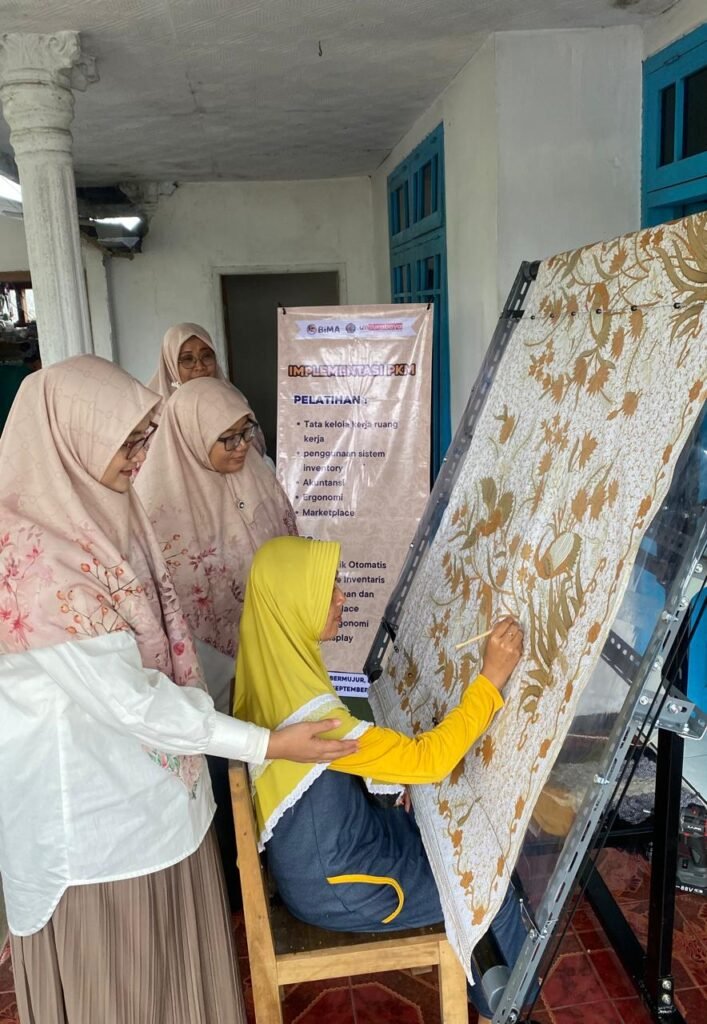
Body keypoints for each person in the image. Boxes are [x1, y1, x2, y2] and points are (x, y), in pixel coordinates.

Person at [0, 356, 357, 1024]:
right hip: (96, 827)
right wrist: (268, 742)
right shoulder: (36, 561)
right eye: (128, 441)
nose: (141, 456)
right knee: (124, 987)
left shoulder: (103, 515)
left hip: (161, 792)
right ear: (70, 439)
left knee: (174, 977)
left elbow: (172, 642)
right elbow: (132, 700)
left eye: (146, 437)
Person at [235, 535, 528, 1024]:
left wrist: (394, 777)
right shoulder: (316, 718)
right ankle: (511, 1012)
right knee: (493, 887)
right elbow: (429, 760)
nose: (342, 598)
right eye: (328, 589)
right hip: (343, 885)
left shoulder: (270, 668)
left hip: (319, 860)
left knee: (446, 830)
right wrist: (491, 681)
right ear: (296, 603)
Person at [136, 375, 297, 905]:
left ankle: (283, 859)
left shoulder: (259, 474)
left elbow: (289, 541)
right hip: (206, 655)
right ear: (189, 436)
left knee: (276, 749)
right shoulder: (156, 505)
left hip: (270, 640)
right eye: (226, 438)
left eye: (246, 431)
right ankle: (235, 878)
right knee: (224, 758)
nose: (241, 446)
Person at [148, 321, 267, 456]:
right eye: (187, 359)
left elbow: (255, 451)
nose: (200, 366)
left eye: (206, 356)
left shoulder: (232, 399)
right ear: (171, 365)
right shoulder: (154, 413)